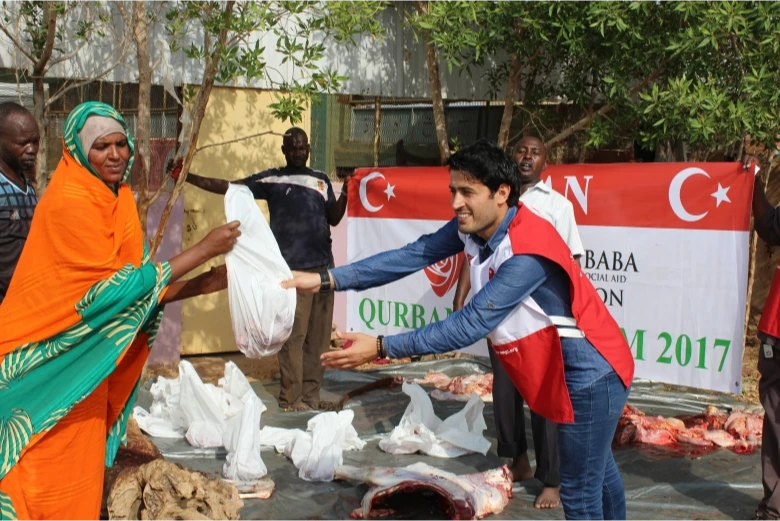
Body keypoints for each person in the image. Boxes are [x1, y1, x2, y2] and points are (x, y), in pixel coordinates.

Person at [283, 140, 635, 520]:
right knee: (600, 476)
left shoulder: (527, 248)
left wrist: (382, 345)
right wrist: (326, 280)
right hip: (572, 370)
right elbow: (410, 256)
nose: (455, 203)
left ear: (502, 193)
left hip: (591, 375)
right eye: (453, 190)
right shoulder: (475, 229)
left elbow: (471, 323)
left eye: (468, 192)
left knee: (582, 493)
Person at [0, 101, 241, 521]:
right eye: (101, 147)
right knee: (35, 483)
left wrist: (203, 283)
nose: (115, 154)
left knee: (79, 482)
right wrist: (201, 251)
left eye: (121, 144)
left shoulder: (119, 201)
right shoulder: (68, 202)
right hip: (43, 369)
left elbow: (133, 296)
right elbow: (108, 295)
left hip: (87, 374)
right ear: (77, 151)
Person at [451, 135, 584, 509]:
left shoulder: (556, 206)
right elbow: (472, 249)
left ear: (546, 162)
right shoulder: (495, 199)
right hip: (499, 316)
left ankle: (552, 479)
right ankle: (517, 460)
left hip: (539, 320)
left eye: (535, 152)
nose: (527, 157)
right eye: (521, 151)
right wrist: (460, 296)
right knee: (505, 394)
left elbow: (572, 261)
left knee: (545, 398)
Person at [174, 127, 348, 411]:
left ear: (308, 149)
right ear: (283, 150)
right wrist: (188, 177)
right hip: (292, 274)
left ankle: (311, 397)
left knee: (318, 340)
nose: (298, 152)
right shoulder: (272, 179)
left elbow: (334, 217)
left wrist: (346, 195)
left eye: (302, 147)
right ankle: (291, 399)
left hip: (324, 270)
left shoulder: (321, 180)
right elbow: (229, 186)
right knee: (294, 337)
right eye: (292, 148)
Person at [743, 154, 780, 521]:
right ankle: (773, 504)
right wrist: (752, 179)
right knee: (774, 416)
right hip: (776, 330)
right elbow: (769, 224)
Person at [0, 102, 40, 305]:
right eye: (23, 143)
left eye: (35, 142)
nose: (31, 149)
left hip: (25, 301)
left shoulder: (28, 187)